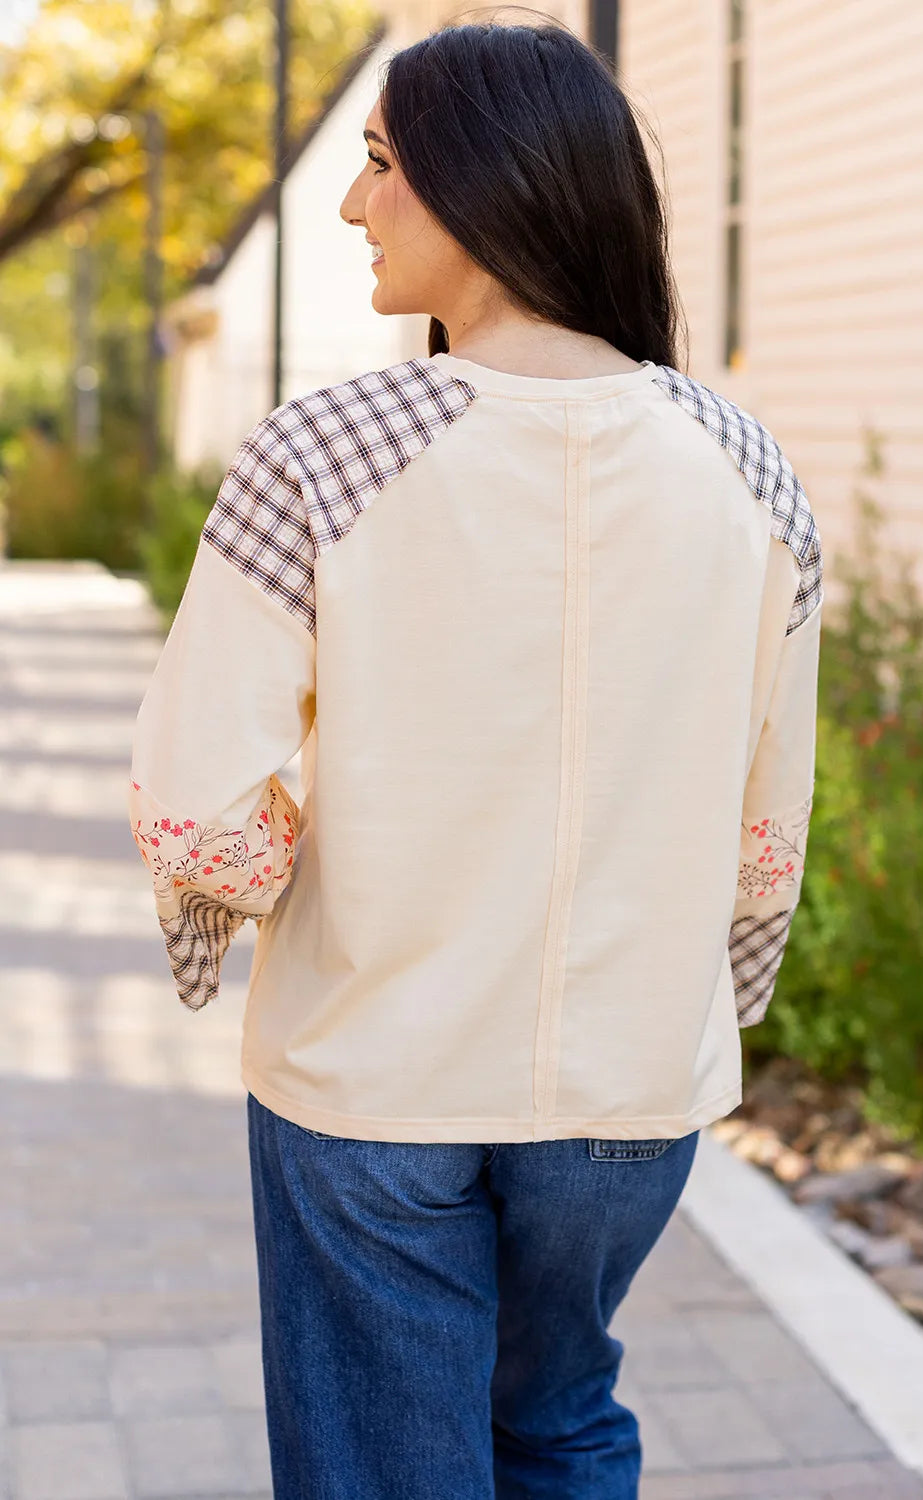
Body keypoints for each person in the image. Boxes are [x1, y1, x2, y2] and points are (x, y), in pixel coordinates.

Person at [128, 12, 823, 1498]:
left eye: (379, 164)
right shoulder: (748, 470)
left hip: (372, 1065)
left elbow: (199, 815)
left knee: (389, 1465)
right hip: (631, 1084)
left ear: (485, 185)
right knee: (560, 1424)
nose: (349, 201)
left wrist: (280, 900)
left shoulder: (318, 454)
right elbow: (767, 827)